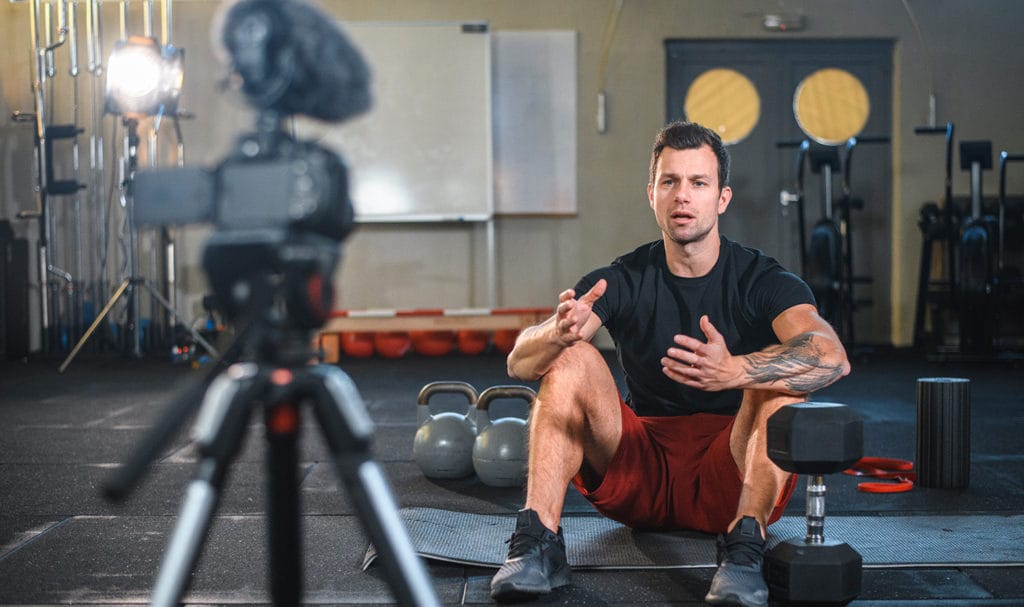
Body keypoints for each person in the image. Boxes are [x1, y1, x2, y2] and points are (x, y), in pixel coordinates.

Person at [489, 121, 850, 606]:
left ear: (722, 198)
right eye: (670, 182)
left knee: (781, 376)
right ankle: (537, 544)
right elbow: (519, 363)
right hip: (642, 473)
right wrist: (555, 334)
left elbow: (832, 357)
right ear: (652, 194)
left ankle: (744, 553)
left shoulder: (762, 280)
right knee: (570, 356)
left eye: (698, 183)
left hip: (734, 472)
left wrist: (737, 370)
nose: (683, 196)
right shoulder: (622, 278)